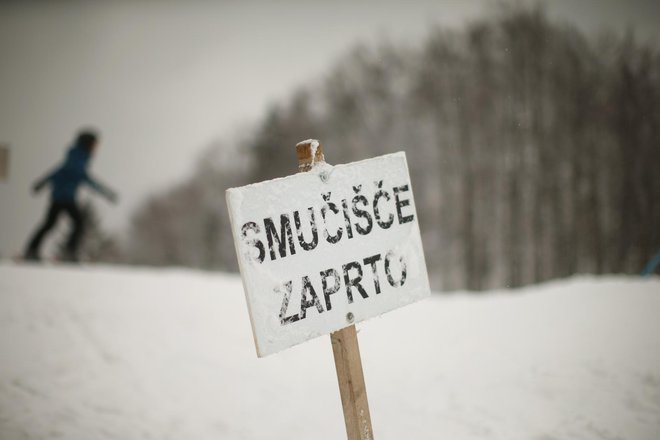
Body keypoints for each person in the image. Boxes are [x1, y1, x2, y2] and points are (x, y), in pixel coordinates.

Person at [24, 129, 118, 262]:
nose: (96, 148)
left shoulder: (76, 157)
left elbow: (57, 171)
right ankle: (68, 252)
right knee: (77, 223)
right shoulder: (77, 160)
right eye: (94, 145)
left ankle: (32, 250)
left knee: (50, 224)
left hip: (61, 197)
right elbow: (85, 178)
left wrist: (41, 183)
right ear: (87, 144)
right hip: (65, 198)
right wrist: (107, 193)